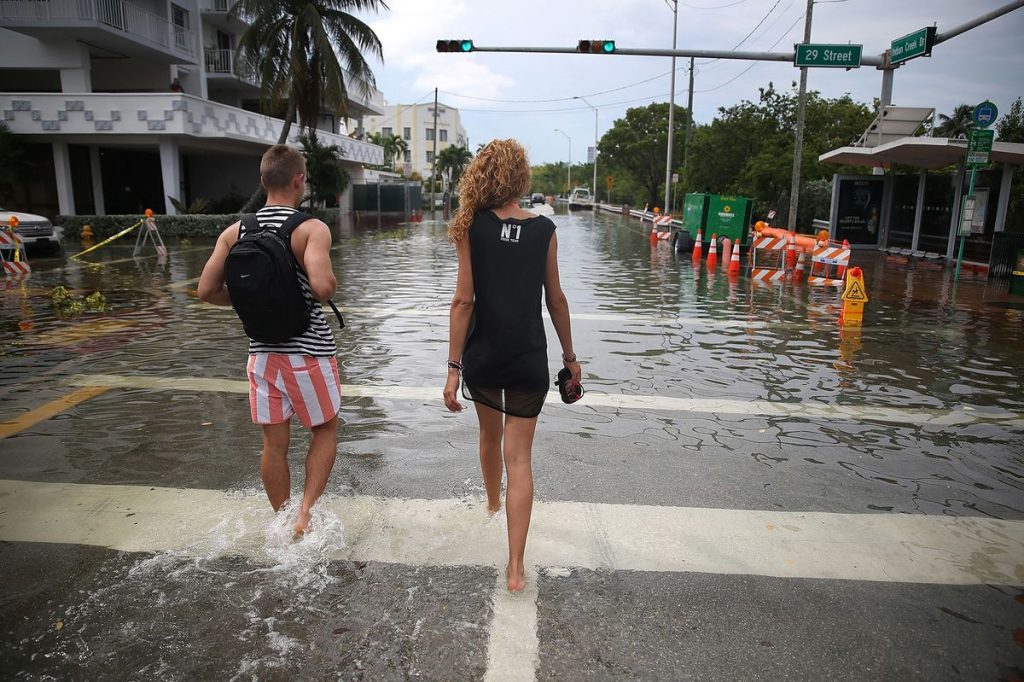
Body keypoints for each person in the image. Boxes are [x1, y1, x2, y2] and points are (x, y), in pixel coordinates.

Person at [442, 139, 582, 592]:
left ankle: (490, 504)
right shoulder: (544, 229)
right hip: (527, 358)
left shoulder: (470, 226)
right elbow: (555, 299)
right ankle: (516, 567)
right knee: (520, 459)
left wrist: (452, 368)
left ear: (481, 175)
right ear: (521, 177)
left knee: (489, 435)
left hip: (484, 355)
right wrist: (570, 358)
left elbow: (464, 301)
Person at [198, 144, 340, 537]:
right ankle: (305, 515)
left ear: (262, 182)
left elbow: (206, 291)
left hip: (261, 355)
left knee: (273, 444)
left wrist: (248, 300)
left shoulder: (234, 232)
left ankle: (281, 518)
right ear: (300, 181)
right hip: (309, 353)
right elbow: (323, 287)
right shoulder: (311, 229)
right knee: (324, 430)